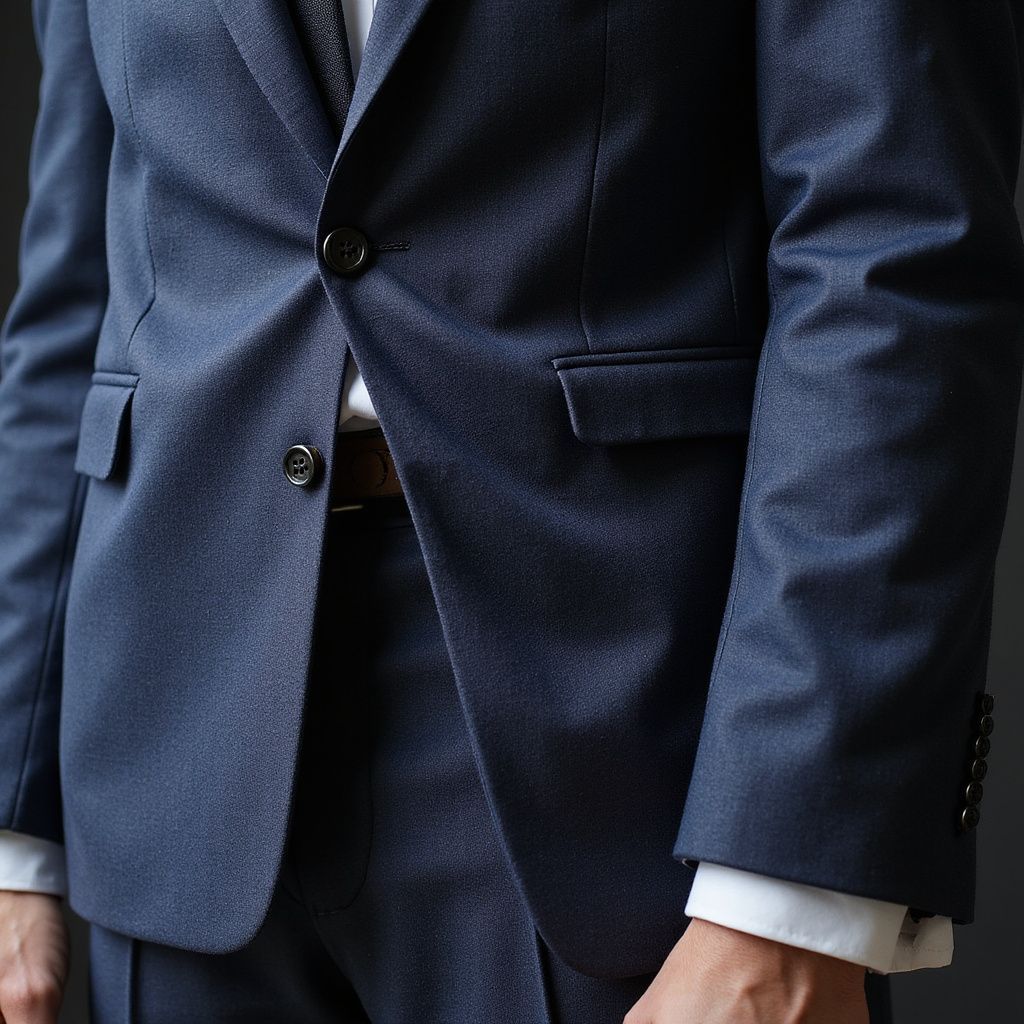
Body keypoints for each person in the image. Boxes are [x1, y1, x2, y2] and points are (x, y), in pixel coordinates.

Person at [0, 0, 1021, 1021]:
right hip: (165, 742)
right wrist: (13, 822)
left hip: (626, 752)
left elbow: (891, 253)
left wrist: (789, 889)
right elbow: (78, 294)